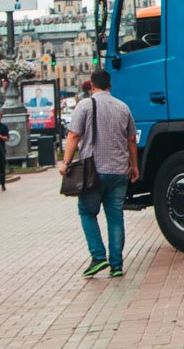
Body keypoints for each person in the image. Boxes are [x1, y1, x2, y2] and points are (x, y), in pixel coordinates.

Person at [57, 70, 138, 279]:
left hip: (93, 172)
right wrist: (134, 166)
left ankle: (98, 256)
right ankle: (117, 265)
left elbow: (74, 135)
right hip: (120, 171)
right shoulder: (123, 107)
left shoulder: (85, 105)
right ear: (110, 85)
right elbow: (131, 139)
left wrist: (66, 163)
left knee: (87, 212)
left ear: (92, 86)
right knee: (116, 218)